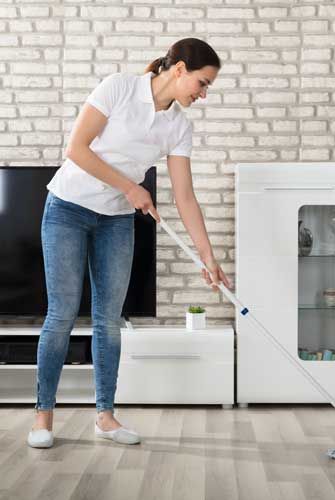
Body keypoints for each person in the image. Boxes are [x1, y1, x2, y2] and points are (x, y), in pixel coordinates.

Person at [28, 38, 231, 448]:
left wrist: (208, 258)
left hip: (116, 221)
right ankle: (43, 418)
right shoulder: (118, 87)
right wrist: (130, 187)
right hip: (68, 207)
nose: (204, 94)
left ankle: (105, 417)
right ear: (179, 70)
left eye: (208, 87)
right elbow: (76, 150)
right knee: (63, 313)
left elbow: (185, 196)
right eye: (203, 83)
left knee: (109, 321)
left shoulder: (178, 126)